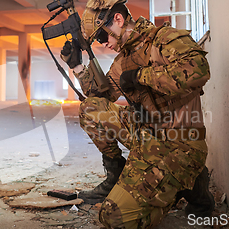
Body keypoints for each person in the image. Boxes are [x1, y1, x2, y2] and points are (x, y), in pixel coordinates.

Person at [60, 0, 214, 227]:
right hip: (146, 134)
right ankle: (115, 175)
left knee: (113, 217)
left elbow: (198, 70)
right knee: (90, 109)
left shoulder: (164, 39)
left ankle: (186, 187)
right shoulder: (123, 61)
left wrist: (140, 76)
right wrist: (77, 67)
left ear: (118, 20)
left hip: (179, 143)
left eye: (103, 37)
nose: (105, 44)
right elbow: (99, 99)